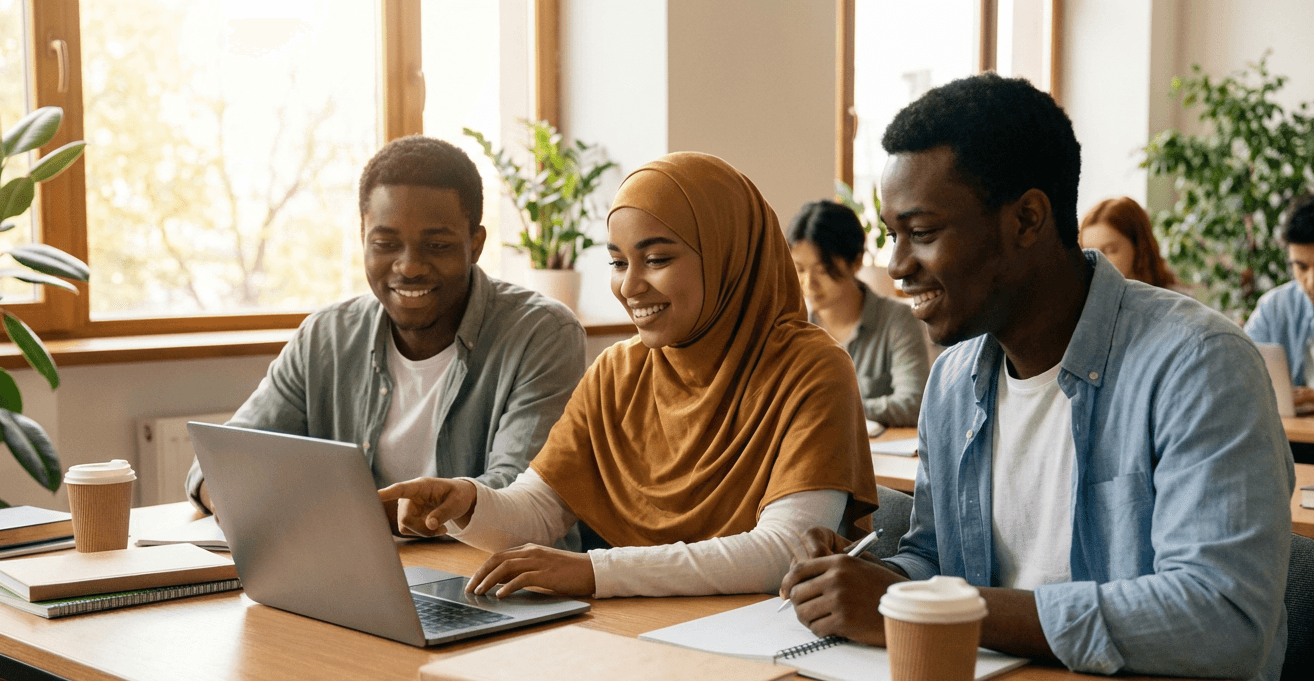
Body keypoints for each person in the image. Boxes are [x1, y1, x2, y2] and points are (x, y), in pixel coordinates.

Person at [779, 74, 1298, 681]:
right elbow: (938, 560)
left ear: (1026, 219)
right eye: (892, 236)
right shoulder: (956, 382)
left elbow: (1221, 618)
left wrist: (938, 614)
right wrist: (859, 579)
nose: (897, 267)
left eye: (922, 233)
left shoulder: (1198, 364)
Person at [379, 152, 878, 599]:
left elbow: (784, 550)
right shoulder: (620, 370)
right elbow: (539, 509)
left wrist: (595, 572)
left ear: (728, 256)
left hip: (765, 635)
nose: (630, 286)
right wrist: (467, 502)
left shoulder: (812, 368)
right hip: (642, 629)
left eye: (657, 259)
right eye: (618, 262)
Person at [184, 135, 586, 523]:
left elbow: (515, 499)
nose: (409, 266)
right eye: (386, 244)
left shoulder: (543, 333)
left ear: (475, 244)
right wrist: (226, 491)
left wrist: (324, 513)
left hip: (491, 578)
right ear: (363, 238)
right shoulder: (325, 338)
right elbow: (218, 461)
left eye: (438, 245)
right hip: (359, 570)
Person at [786, 200, 929, 427]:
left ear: (856, 262)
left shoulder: (896, 319)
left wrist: (825, 406)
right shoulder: (792, 324)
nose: (808, 284)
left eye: (823, 271)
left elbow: (914, 404)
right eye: (800, 269)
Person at [1245, 194, 1314, 416]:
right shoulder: (1275, 308)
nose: (1312, 281)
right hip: (1292, 442)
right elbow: (1236, 375)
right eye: (1301, 266)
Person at [1078, 196, 1178, 289]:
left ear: (1139, 247)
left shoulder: (1175, 303)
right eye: (1088, 253)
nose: (1097, 262)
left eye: (1110, 250)